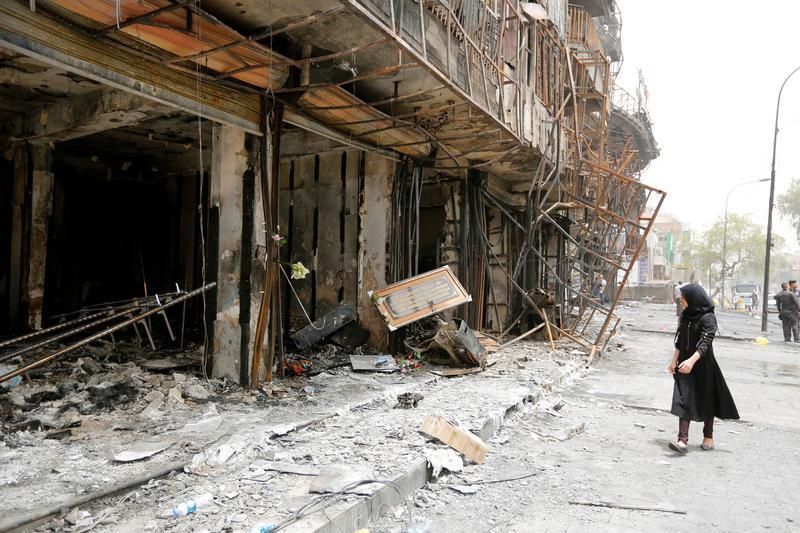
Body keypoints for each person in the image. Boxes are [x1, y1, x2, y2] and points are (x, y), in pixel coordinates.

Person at [668, 284, 739, 454]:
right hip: (685, 363)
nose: (681, 301)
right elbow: (680, 340)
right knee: (683, 398)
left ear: (693, 299)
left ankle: (708, 436)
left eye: (683, 298)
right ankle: (682, 441)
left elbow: (705, 343)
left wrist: (691, 362)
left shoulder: (708, 318)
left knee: (707, 399)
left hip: (703, 365)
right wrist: (674, 361)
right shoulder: (685, 315)